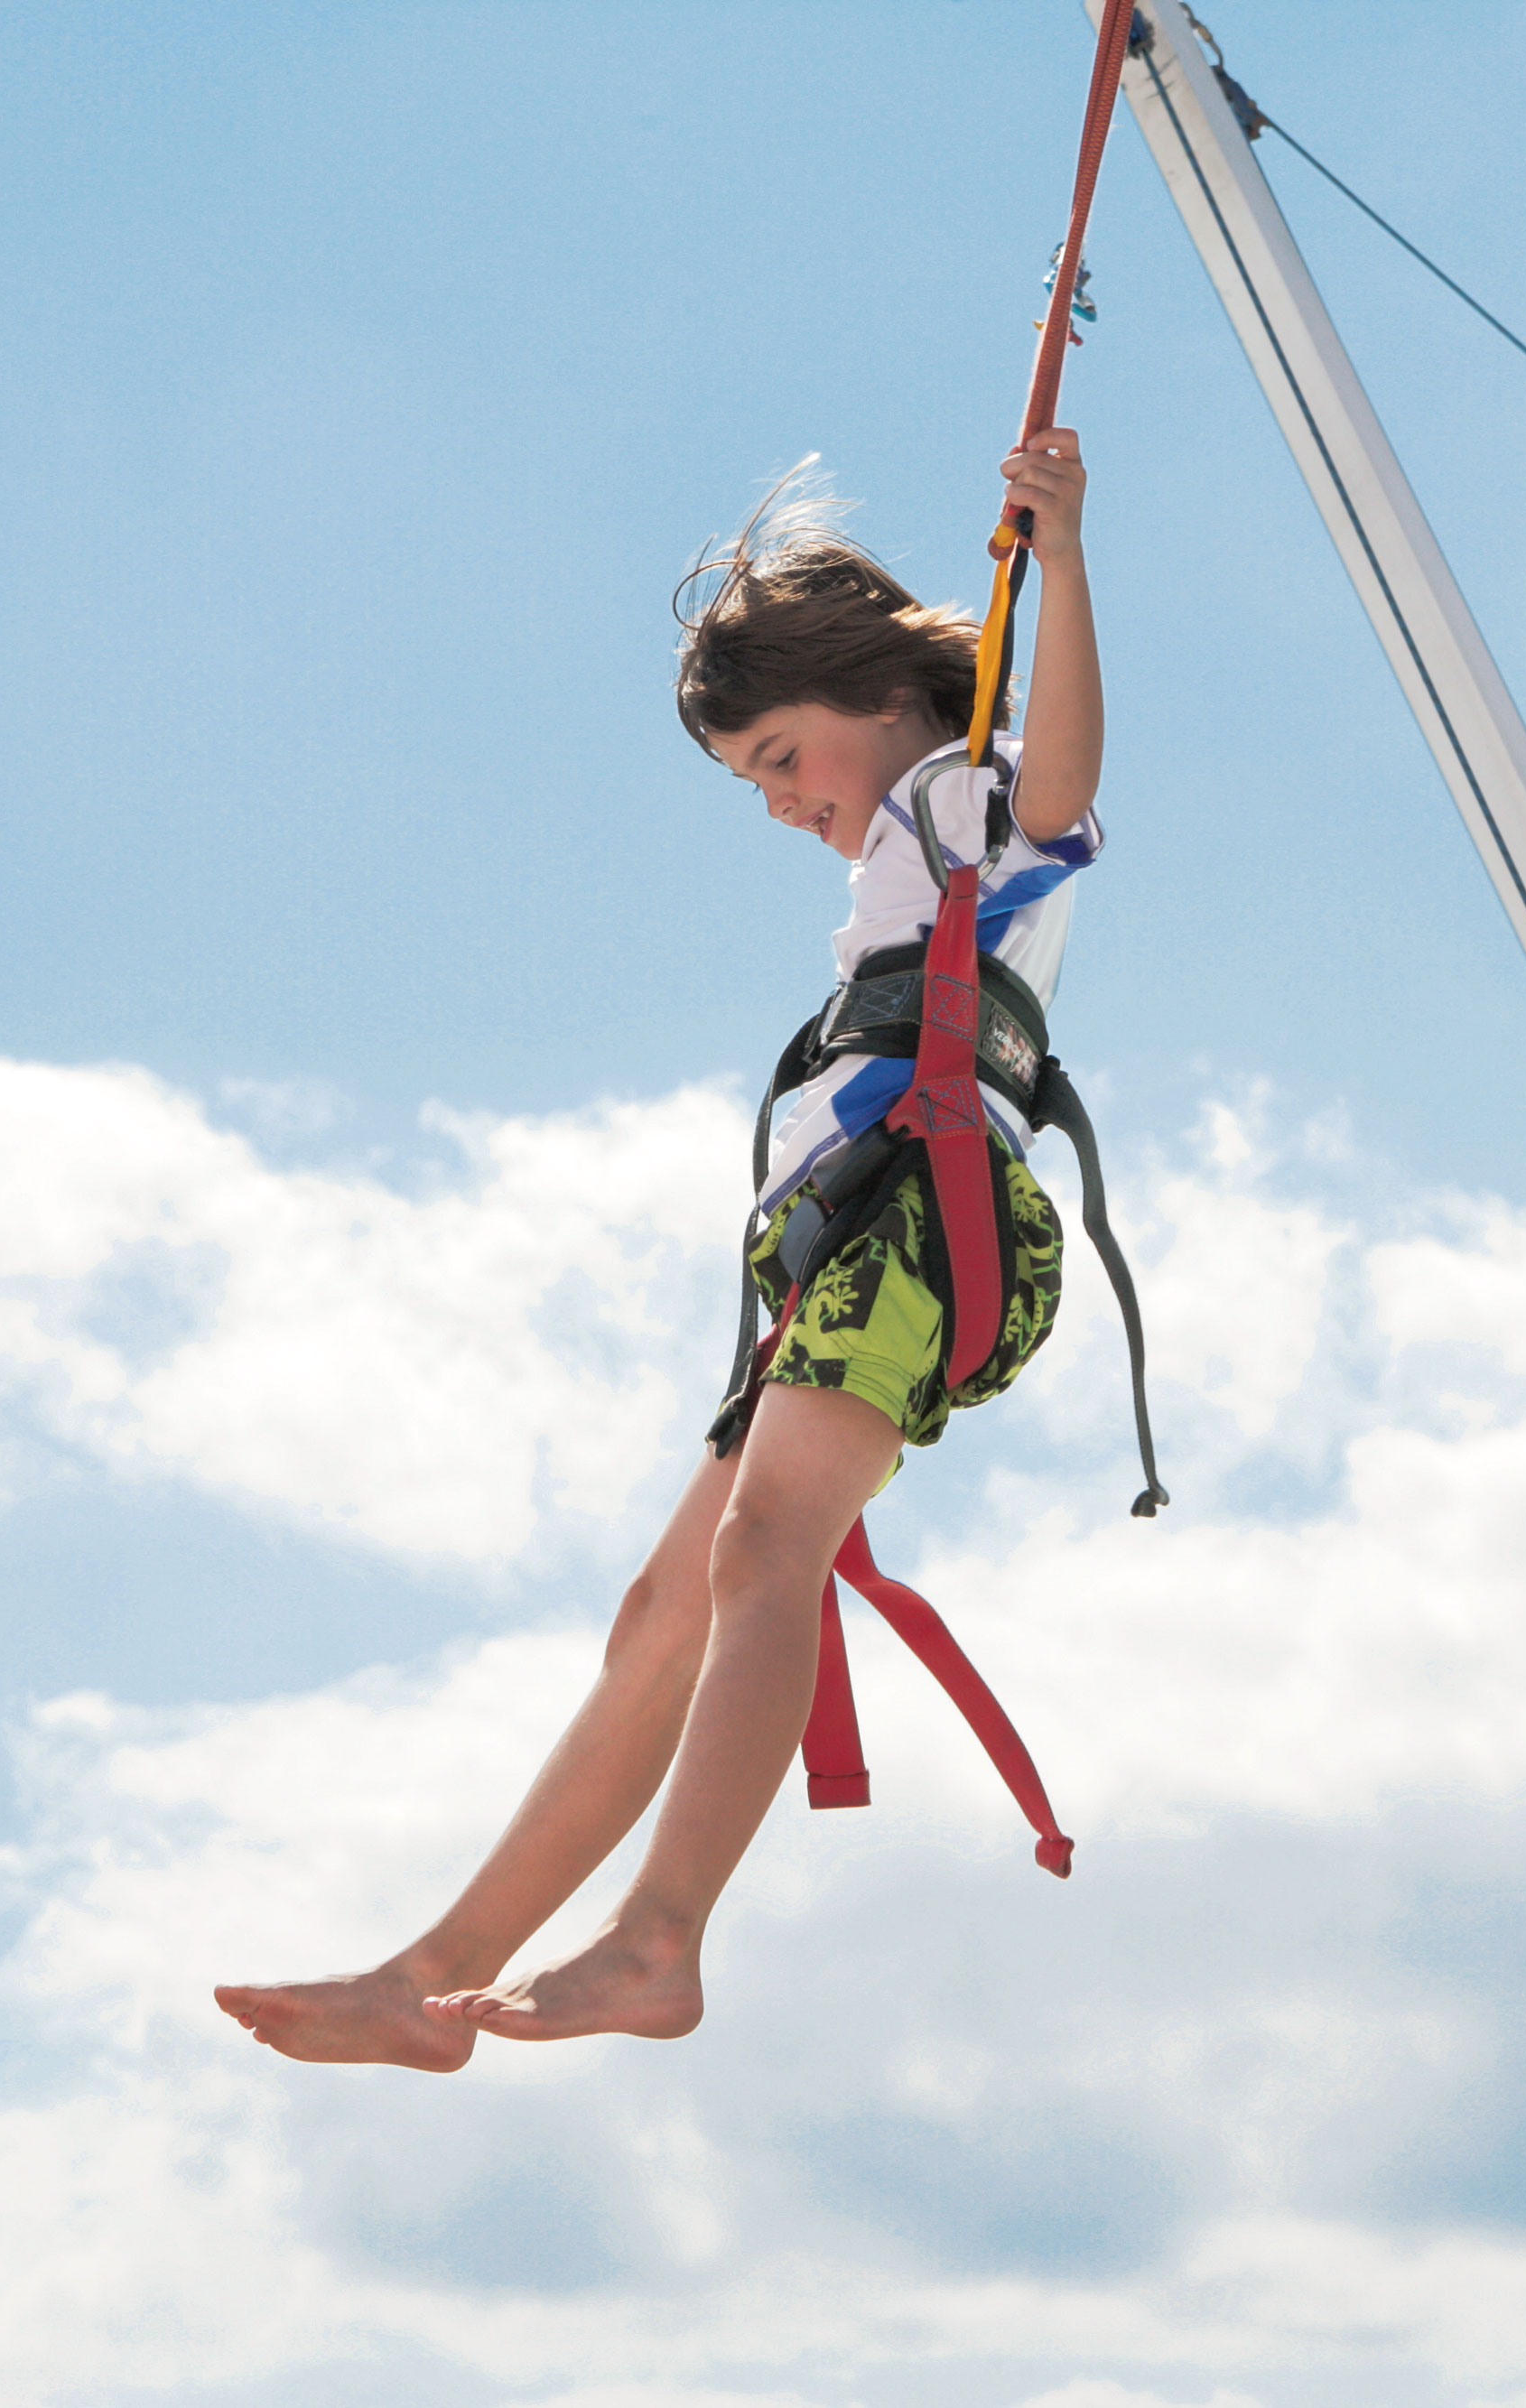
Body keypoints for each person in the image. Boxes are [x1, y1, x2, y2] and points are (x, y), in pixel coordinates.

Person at [212, 431, 1104, 2059]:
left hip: (927, 1219)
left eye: (780, 756)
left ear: (875, 696)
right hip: (852, 1239)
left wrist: (1063, 558)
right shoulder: (913, 837)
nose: (777, 803)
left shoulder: (964, 799)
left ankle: (656, 1940)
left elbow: (1059, 786)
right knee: (666, 1608)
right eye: (753, 780)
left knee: (765, 1556)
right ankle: (434, 1982)